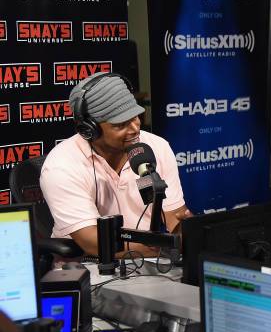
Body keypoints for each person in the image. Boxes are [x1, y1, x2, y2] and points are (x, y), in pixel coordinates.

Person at [40, 72, 191, 257]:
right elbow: (92, 242)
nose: (135, 128)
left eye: (135, 117)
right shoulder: (61, 166)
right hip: (87, 266)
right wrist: (159, 247)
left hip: (151, 262)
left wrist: (186, 232)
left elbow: (174, 218)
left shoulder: (157, 146)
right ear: (90, 130)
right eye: (121, 124)